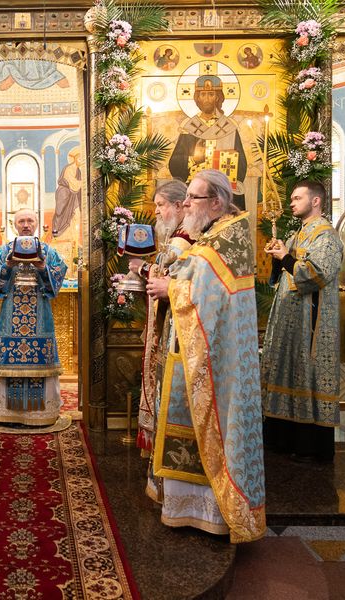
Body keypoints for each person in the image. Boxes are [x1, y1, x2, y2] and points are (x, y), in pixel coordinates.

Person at [144, 169, 265, 543]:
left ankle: (211, 512)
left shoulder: (225, 240)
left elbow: (209, 298)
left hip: (212, 359)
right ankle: (187, 508)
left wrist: (170, 288)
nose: (186, 204)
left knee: (208, 421)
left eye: (192, 198)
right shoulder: (216, 235)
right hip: (196, 348)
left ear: (216, 202)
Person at [261, 181, 343, 463]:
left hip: (312, 323)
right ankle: (282, 440)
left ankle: (311, 447)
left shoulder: (326, 236)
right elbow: (284, 274)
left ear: (316, 201)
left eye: (297, 198)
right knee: (286, 371)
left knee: (308, 375)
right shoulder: (298, 234)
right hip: (289, 321)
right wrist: (278, 258)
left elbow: (315, 274)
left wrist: (286, 257)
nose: (292, 203)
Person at [126, 180, 193, 502]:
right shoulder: (175, 236)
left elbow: (168, 276)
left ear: (179, 206)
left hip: (178, 333)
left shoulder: (183, 239)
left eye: (161, 205)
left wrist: (141, 269)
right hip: (168, 328)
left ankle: (171, 474)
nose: (156, 212)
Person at [0, 208, 67, 426]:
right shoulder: (4, 252)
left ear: (37, 224)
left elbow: (58, 277)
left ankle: (41, 416)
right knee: (10, 366)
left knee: (41, 363)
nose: (26, 225)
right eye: (21, 221)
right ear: (14, 225)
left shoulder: (47, 251)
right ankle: (10, 414)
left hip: (40, 318)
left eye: (30, 220)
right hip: (10, 319)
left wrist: (43, 268)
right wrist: (7, 266)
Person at [168, 75, 248, 210]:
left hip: (220, 191)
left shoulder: (228, 127)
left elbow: (242, 165)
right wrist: (193, 159)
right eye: (203, 94)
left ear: (217, 97)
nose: (206, 99)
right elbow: (174, 164)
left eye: (211, 94)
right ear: (197, 98)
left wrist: (229, 158)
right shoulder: (189, 127)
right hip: (194, 191)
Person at [52, 147, 82, 238]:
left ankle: (73, 238)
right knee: (60, 213)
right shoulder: (69, 168)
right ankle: (59, 236)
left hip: (72, 195)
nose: (81, 161)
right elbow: (72, 183)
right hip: (64, 194)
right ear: (75, 159)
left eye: (82, 159)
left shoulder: (78, 170)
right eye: (79, 159)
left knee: (75, 214)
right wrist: (83, 182)